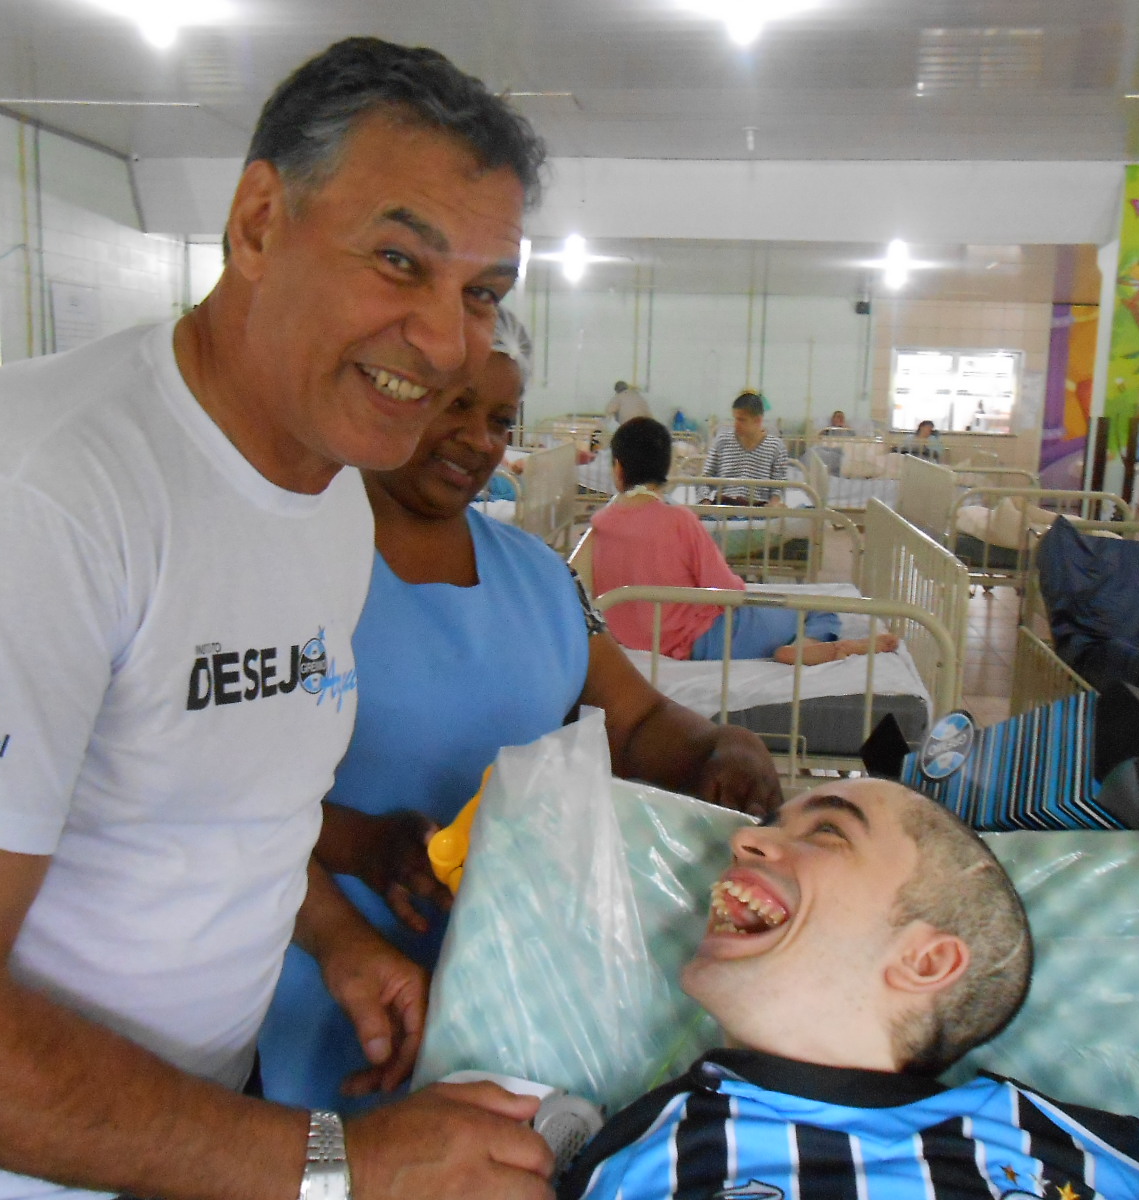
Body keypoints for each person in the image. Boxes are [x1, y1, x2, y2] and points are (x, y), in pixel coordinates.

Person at [0, 37, 559, 1200]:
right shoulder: (21, 496)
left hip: (170, 1135)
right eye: (399, 261)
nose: (449, 345)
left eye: (482, 295)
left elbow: (217, 804)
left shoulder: (325, 502)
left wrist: (336, 940)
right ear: (257, 222)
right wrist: (342, 1168)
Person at [257, 308, 782, 1112]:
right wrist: (362, 845)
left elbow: (637, 722)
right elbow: (215, 796)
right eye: (451, 404)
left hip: (526, 991)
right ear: (392, 393)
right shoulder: (292, 568)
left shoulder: (539, 576)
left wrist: (720, 746)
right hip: (340, 978)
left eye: (500, 418)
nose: (476, 439)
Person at [559, 779, 1139, 1200]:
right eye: (767, 826)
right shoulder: (637, 1144)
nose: (746, 842)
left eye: (827, 833)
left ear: (923, 963)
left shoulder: (1074, 1144)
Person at [590, 417, 898, 666]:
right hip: (699, 640)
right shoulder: (678, 520)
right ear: (668, 467)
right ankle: (812, 644)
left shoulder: (599, 524)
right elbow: (727, 590)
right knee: (817, 607)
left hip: (633, 639)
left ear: (618, 469)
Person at [701, 390, 789, 503]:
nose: (736, 424)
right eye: (735, 418)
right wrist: (705, 501)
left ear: (758, 420)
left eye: (742, 420)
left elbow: (778, 486)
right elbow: (705, 479)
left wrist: (774, 504)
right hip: (723, 507)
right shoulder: (722, 441)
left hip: (758, 510)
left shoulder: (775, 447)